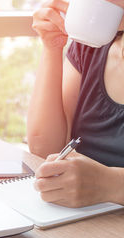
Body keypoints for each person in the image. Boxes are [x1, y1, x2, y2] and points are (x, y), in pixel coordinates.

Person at [28, 0, 124, 208]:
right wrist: (52, 47)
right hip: (85, 226)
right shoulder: (91, 47)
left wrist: (110, 184)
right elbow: (45, 148)